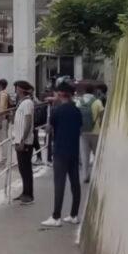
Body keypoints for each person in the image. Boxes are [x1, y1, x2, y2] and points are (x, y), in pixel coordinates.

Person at [41, 82, 83, 227]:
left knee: (59, 184)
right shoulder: (77, 111)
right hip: (74, 151)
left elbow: (48, 129)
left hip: (60, 151)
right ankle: (74, 215)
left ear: (60, 94)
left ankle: (56, 216)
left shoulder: (57, 111)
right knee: (75, 183)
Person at [11, 80, 36, 204]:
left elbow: (28, 121)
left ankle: (29, 195)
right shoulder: (23, 102)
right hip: (20, 139)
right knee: (22, 168)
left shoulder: (27, 103)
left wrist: (23, 140)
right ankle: (25, 192)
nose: (15, 90)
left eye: (16, 88)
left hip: (24, 141)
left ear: (20, 89)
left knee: (25, 168)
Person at [76, 81, 105, 182]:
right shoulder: (98, 102)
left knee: (85, 155)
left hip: (82, 132)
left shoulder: (79, 102)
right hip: (96, 132)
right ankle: (98, 175)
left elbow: (76, 117)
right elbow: (102, 118)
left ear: (84, 91)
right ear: (94, 91)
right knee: (97, 154)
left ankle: (85, 176)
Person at [0, 78, 12, 146]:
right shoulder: (6, 93)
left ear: (0, 86)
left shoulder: (2, 94)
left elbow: (1, 108)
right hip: (5, 118)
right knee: (4, 136)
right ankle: (5, 155)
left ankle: (4, 156)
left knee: (3, 138)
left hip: (3, 119)